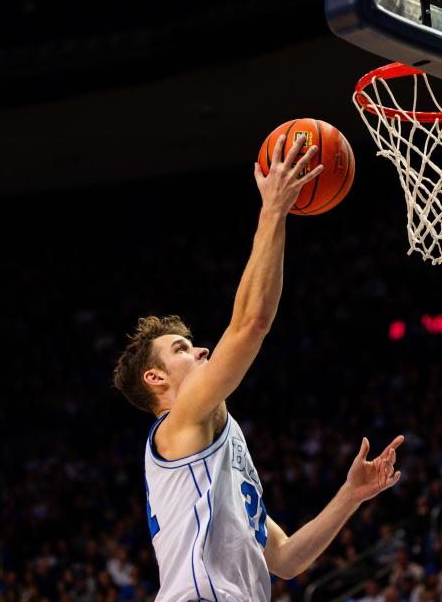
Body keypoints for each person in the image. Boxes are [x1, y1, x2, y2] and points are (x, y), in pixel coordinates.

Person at [112, 135, 404, 601]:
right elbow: (251, 324)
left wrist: (350, 496)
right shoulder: (179, 423)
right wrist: (274, 209)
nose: (203, 351)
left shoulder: (216, 448)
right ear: (156, 379)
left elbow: (285, 559)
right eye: (183, 349)